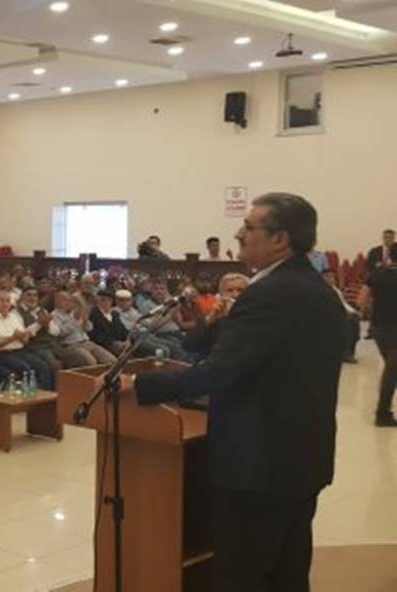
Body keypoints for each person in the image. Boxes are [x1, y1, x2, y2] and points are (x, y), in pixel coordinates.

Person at [126, 193, 344, 591]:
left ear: (279, 238)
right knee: (288, 570)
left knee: (243, 575)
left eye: (248, 226)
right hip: (302, 456)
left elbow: (220, 372)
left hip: (258, 466)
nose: (238, 234)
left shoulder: (269, 293)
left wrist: (139, 385)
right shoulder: (319, 289)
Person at [368, 248, 397, 427]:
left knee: (392, 368)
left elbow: (362, 298)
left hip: (378, 328)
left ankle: (384, 410)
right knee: (392, 370)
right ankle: (382, 413)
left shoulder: (377, 273)